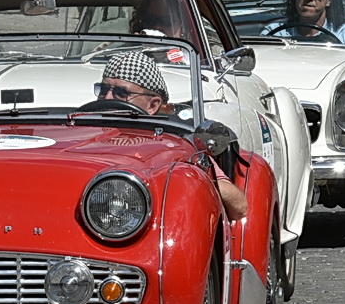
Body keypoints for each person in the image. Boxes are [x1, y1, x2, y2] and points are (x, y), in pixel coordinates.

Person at [91, 50, 247, 220]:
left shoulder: (179, 142)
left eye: (121, 93)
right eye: (103, 89)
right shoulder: (84, 130)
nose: (107, 98)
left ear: (153, 105)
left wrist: (191, 180)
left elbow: (240, 208)